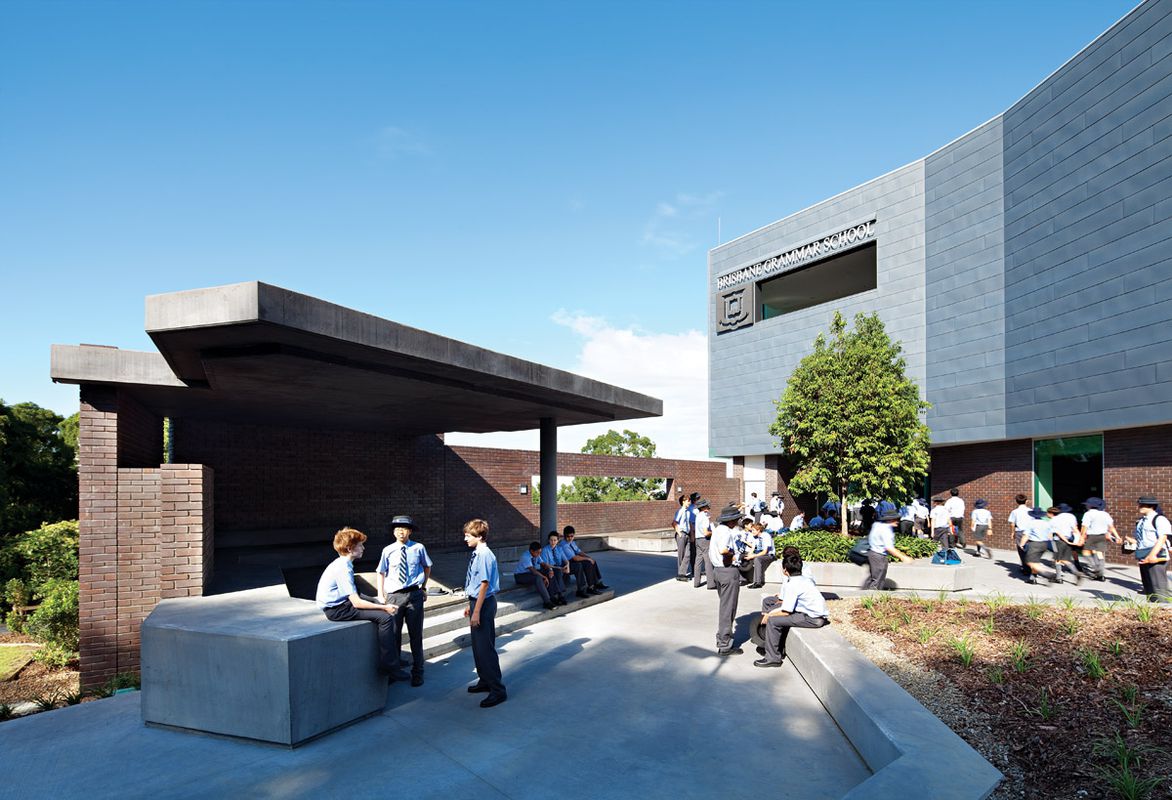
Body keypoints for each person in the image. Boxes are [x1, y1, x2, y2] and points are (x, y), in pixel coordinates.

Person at [316, 527, 407, 680]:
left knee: (381, 609)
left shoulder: (342, 563)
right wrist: (383, 607)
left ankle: (393, 660)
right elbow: (357, 602)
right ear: (350, 548)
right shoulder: (343, 568)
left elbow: (356, 593)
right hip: (337, 610)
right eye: (360, 545)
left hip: (341, 605)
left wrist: (375, 600)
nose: (363, 548)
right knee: (385, 618)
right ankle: (389, 666)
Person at [375, 515, 433, 687]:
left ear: (410, 531)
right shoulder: (388, 550)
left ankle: (418, 671)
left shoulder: (418, 548)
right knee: (393, 635)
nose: (401, 531)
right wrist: (381, 594)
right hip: (394, 596)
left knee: (416, 636)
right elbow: (381, 572)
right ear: (393, 531)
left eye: (404, 528)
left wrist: (423, 587)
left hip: (414, 595)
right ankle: (395, 670)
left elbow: (427, 566)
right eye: (397, 528)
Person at [754, 552, 829, 667]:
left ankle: (773, 658)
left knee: (773, 621)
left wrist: (768, 616)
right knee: (779, 617)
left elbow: (786, 611)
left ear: (785, 570)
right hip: (815, 615)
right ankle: (777, 649)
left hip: (811, 618)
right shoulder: (804, 579)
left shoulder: (792, 584)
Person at [463, 518, 506, 707]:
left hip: (485, 604)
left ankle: (497, 689)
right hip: (477, 602)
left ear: (479, 536)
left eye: (468, 535)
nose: (465, 538)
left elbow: (484, 584)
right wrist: (470, 605)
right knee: (478, 648)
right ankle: (485, 680)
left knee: (485, 648)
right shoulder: (477, 553)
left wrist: (477, 611)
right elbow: (475, 583)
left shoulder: (484, 555)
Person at [709, 505, 745, 656]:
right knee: (728, 609)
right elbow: (724, 550)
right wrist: (733, 556)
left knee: (726, 606)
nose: (738, 520)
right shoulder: (725, 532)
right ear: (731, 520)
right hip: (727, 571)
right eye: (736, 518)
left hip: (718, 571)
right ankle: (724, 644)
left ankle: (724, 639)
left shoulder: (718, 530)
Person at [1130, 496, 1170, 602]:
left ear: (1151, 506)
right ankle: (1153, 610)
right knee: (1149, 587)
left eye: (1143, 504)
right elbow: (1142, 539)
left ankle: (1164, 610)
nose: (1140, 506)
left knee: (1159, 587)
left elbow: (1162, 538)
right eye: (1139, 504)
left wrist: (1152, 555)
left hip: (1156, 556)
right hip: (1143, 555)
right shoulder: (1141, 521)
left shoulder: (1159, 519)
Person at [865, 508, 913, 589]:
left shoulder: (876, 525)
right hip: (879, 556)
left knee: (874, 578)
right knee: (878, 581)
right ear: (889, 520)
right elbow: (889, 548)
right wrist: (903, 557)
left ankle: (866, 594)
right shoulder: (886, 530)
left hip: (872, 554)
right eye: (896, 519)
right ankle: (872, 597)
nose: (898, 521)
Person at [558, 525, 607, 596]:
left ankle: (596, 582)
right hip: (567, 563)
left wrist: (589, 557)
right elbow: (575, 558)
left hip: (573, 560)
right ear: (564, 536)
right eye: (568, 536)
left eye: (572, 536)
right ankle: (590, 587)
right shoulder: (564, 545)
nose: (570, 538)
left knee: (592, 561)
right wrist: (588, 559)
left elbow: (579, 552)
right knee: (587, 563)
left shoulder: (572, 542)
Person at [515, 541, 564, 609]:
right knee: (538, 578)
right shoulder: (525, 556)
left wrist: (550, 570)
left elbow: (543, 564)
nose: (539, 554)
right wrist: (544, 577)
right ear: (531, 551)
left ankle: (553, 596)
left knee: (548, 572)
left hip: (530, 573)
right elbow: (533, 571)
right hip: (521, 576)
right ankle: (547, 602)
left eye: (540, 552)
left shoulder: (536, 554)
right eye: (537, 552)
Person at [1078, 497, 1117, 581]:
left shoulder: (1088, 514)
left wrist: (1081, 537)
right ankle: (1101, 575)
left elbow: (1085, 526)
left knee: (1085, 553)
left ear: (1090, 506)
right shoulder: (1105, 514)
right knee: (1099, 554)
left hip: (1092, 536)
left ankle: (1096, 568)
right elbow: (1111, 527)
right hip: (1102, 536)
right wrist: (1116, 536)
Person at [1020, 507, 1058, 585]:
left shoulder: (1031, 523)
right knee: (1035, 561)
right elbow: (1050, 535)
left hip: (1034, 544)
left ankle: (1048, 574)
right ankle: (1032, 579)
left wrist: (1022, 544)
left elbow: (1026, 535)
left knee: (1029, 561)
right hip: (1044, 544)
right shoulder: (1046, 523)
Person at [1048, 504, 1081, 584]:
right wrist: (1079, 539)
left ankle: (1058, 578)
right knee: (1065, 559)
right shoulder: (1071, 517)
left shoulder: (1054, 519)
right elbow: (1075, 528)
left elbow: (1055, 533)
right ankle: (1076, 572)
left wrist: (1050, 540)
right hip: (1069, 538)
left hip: (1059, 540)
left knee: (1058, 559)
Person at [741, 522, 776, 588]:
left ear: (758, 530)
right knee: (744, 556)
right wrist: (748, 555)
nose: (752, 532)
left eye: (753, 530)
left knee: (757, 559)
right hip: (760, 554)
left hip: (769, 555)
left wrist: (753, 556)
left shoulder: (766, 536)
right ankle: (743, 579)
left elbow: (765, 552)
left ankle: (758, 582)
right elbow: (753, 548)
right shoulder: (755, 537)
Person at [541, 530, 573, 596]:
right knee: (558, 571)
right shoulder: (545, 550)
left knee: (572, 566)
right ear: (548, 540)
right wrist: (559, 568)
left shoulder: (559, 548)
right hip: (549, 568)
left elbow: (565, 560)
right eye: (551, 540)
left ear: (558, 541)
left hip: (558, 566)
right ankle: (560, 594)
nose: (553, 542)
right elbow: (546, 564)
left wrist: (568, 566)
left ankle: (560, 593)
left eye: (555, 540)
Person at [1008, 493, 1033, 576]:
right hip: (1030, 532)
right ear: (1026, 501)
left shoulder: (1014, 512)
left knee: (1021, 550)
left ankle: (1025, 568)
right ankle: (1031, 567)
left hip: (1020, 532)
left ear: (1016, 501)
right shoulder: (1031, 511)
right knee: (1030, 549)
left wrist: (1012, 533)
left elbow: (1012, 523)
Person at [693, 498, 713, 589]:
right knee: (708, 561)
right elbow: (706, 532)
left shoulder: (698, 516)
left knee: (698, 560)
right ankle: (711, 583)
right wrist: (713, 532)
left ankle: (696, 582)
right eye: (707, 506)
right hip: (705, 539)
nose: (709, 507)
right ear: (704, 507)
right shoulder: (704, 517)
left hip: (698, 539)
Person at [673, 495, 693, 581]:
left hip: (687, 534)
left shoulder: (688, 512)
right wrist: (679, 533)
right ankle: (681, 574)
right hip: (681, 534)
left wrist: (691, 534)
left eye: (690, 501)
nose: (689, 502)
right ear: (683, 502)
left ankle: (682, 572)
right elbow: (674, 522)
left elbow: (689, 523)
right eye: (688, 501)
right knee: (681, 555)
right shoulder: (680, 511)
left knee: (688, 554)